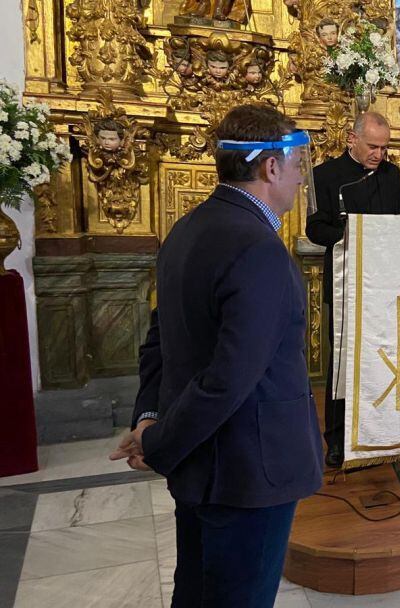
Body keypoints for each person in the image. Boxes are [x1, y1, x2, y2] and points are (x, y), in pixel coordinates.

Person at [110, 104, 323, 606]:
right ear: (271, 167)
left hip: (201, 464)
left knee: (196, 594)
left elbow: (158, 342)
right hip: (249, 473)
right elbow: (229, 378)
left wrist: (150, 419)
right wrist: (157, 441)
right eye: (298, 168)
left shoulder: (187, 229)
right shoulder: (259, 249)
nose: (301, 182)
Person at [305, 111, 400, 468]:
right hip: (346, 282)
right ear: (353, 139)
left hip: (385, 282)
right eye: (373, 146)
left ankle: (378, 430)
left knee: (383, 356)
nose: (379, 154)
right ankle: (336, 438)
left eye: (384, 147)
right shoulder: (326, 175)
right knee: (344, 360)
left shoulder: (390, 175)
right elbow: (315, 231)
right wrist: (352, 235)